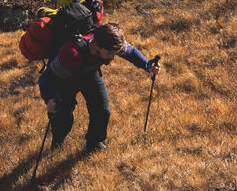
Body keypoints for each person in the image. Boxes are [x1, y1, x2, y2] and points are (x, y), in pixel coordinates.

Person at [38, 21, 160, 152]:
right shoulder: (71, 54)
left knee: (102, 111)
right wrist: (49, 99)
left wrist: (147, 65)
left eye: (115, 53)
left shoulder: (109, 43)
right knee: (63, 115)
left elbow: (130, 52)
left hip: (90, 73)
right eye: (109, 53)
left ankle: (94, 143)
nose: (113, 57)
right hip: (67, 79)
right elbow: (46, 79)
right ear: (96, 45)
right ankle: (58, 140)